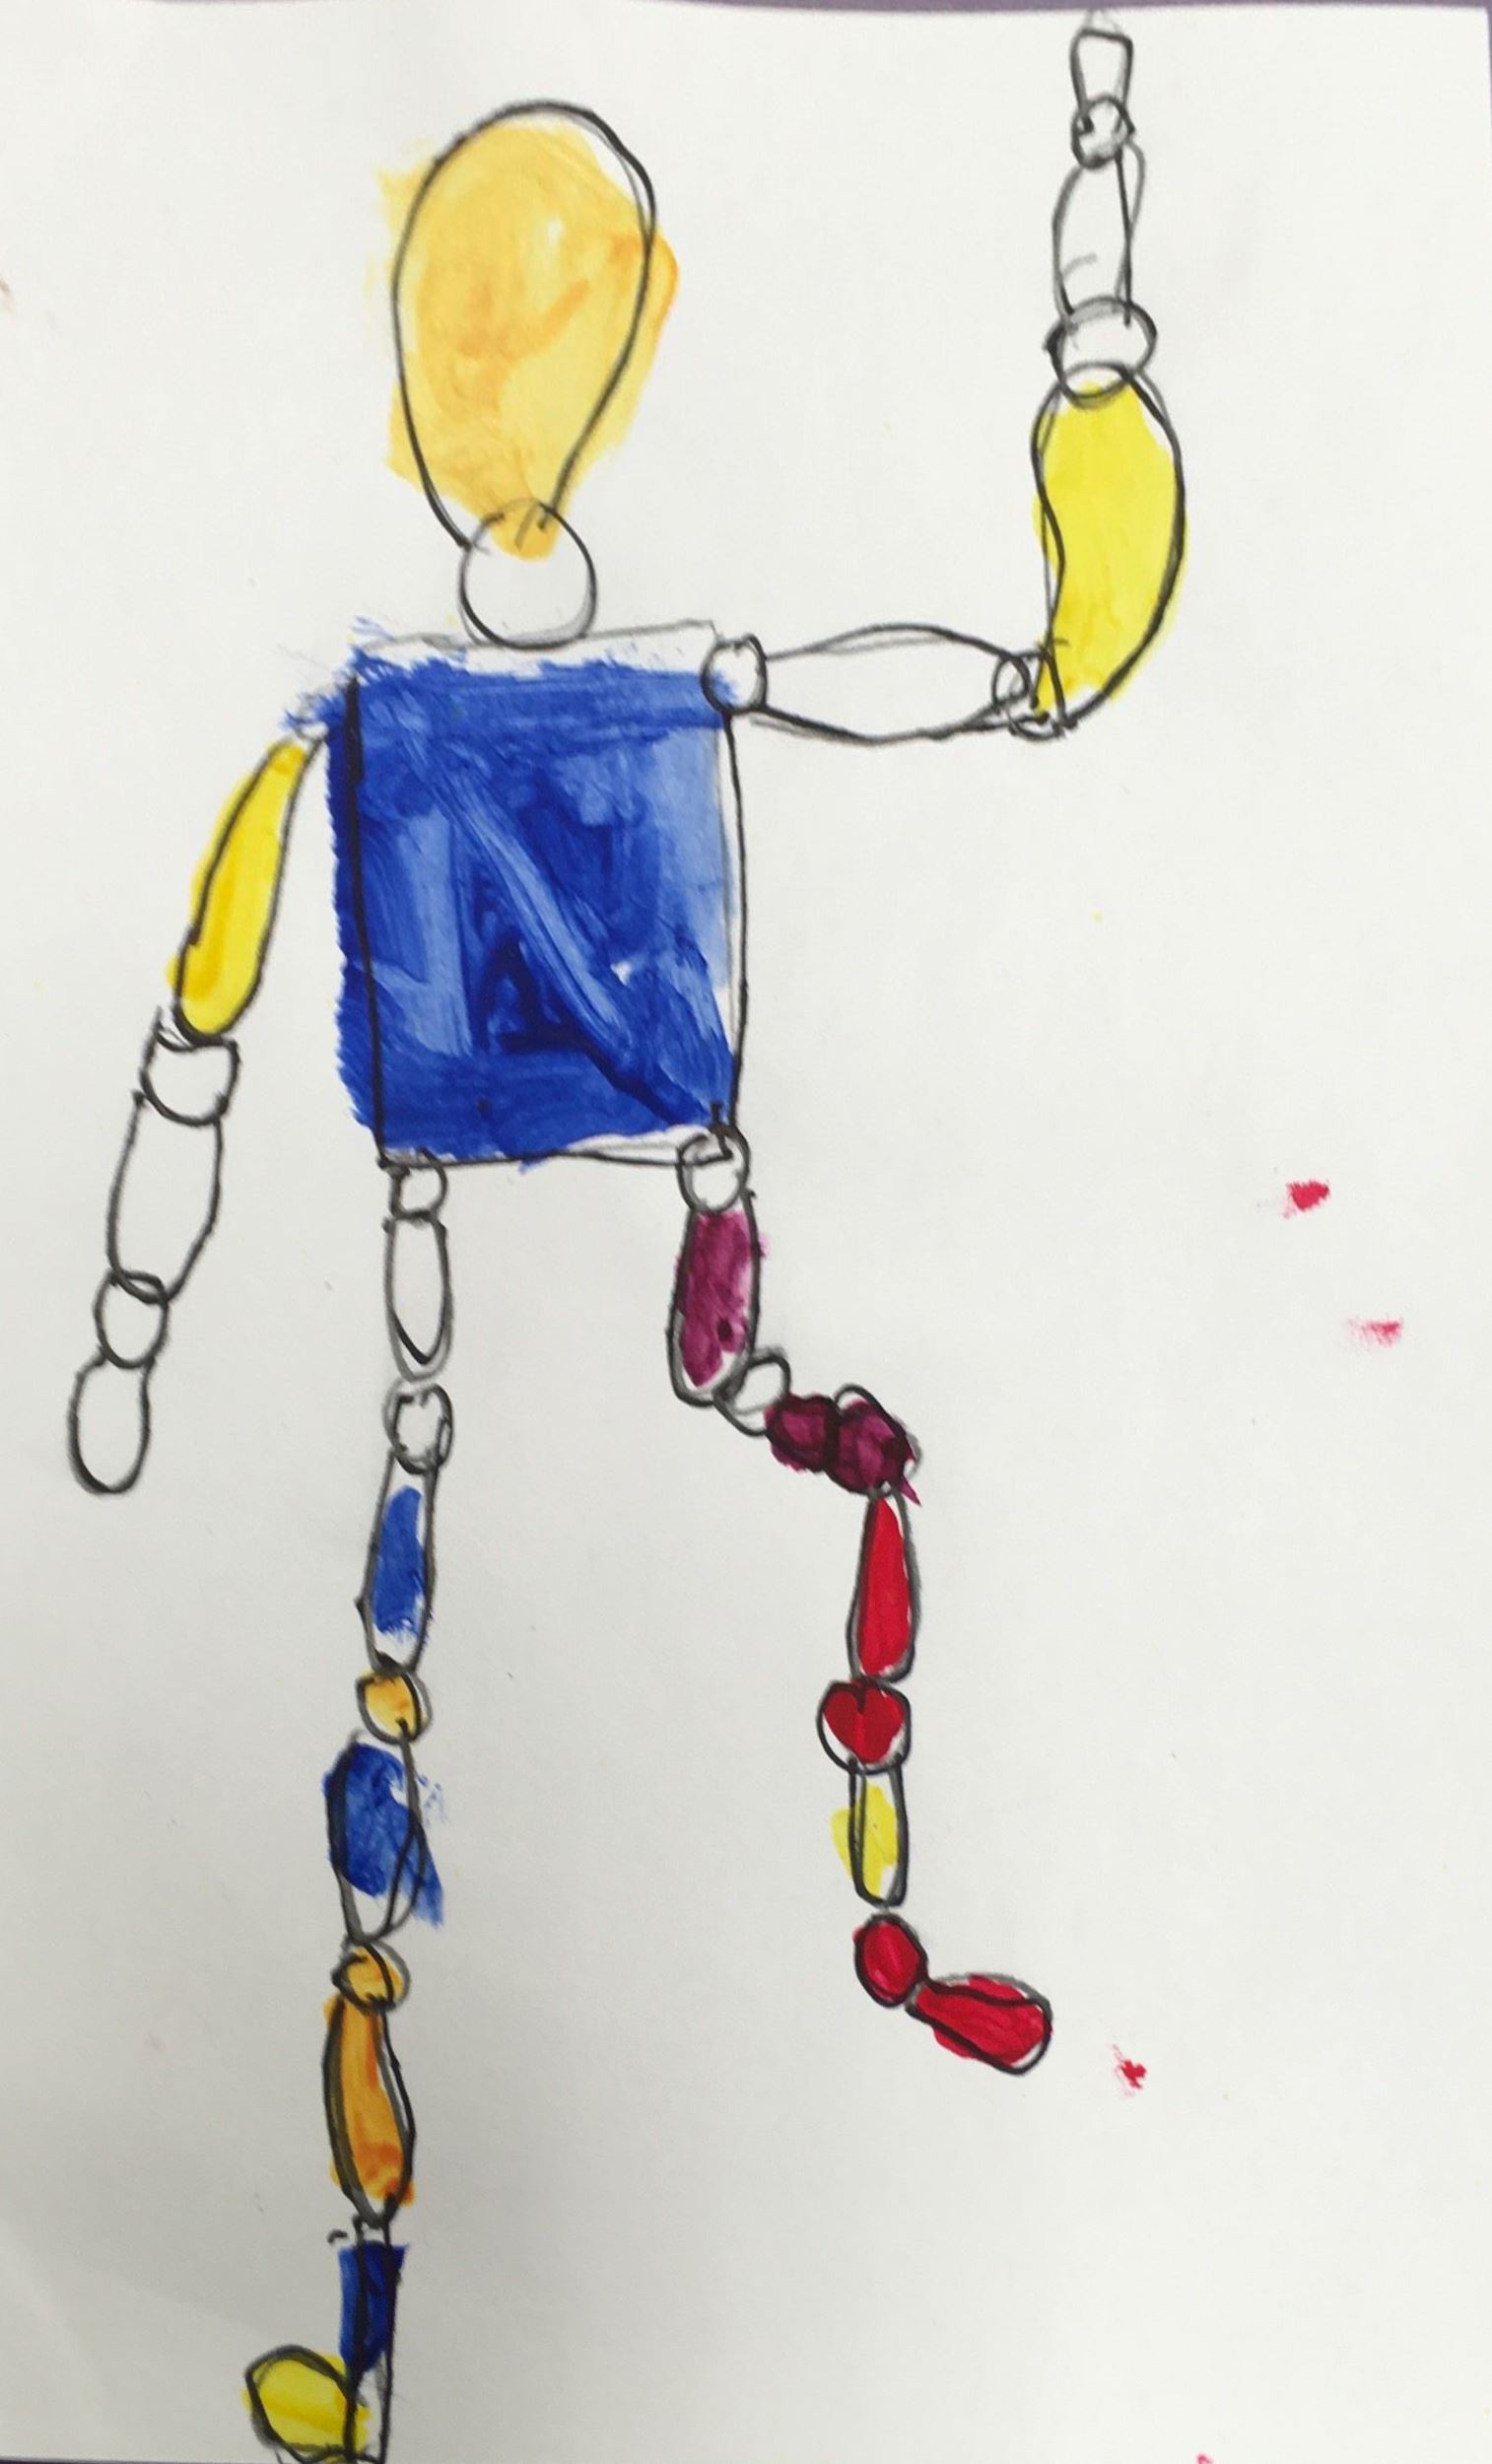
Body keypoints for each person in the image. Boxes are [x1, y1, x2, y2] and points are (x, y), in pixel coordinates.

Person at [67, 23, 1184, 2461]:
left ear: (412, 404)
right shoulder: (682, 693)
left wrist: (133, 1324)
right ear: (642, 346)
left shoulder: (347, 732)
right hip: (690, 1299)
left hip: (453, 1341)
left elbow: (197, 1030)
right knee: (470, 1735)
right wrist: (1096, 268)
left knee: (398, 1745)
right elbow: (1041, 672)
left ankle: (368, 2343)